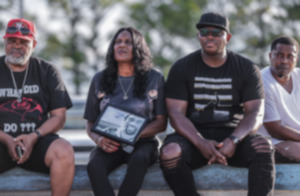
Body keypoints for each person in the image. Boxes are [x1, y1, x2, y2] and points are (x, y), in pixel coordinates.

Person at [160, 12, 275, 196]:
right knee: (169, 152)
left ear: (227, 37)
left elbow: (256, 113)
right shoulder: (182, 67)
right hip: (193, 136)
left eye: (217, 33)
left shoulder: (246, 68)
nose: (210, 37)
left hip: (234, 136)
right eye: (204, 32)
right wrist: (200, 143)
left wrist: (234, 140)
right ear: (198, 36)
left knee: (263, 147)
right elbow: (176, 114)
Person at [84, 27, 167, 196]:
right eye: (118, 42)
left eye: (128, 42)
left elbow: (161, 122)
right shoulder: (99, 79)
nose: (122, 46)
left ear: (139, 48)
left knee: (139, 159)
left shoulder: (155, 78)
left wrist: (132, 134)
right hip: (110, 142)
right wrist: (99, 139)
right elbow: (90, 121)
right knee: (94, 165)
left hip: (143, 143)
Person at [0, 18, 74, 196]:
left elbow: (59, 116)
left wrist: (34, 136)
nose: (17, 46)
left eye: (23, 42)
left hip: (39, 140)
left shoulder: (48, 71)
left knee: (64, 151)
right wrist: (7, 139)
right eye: (12, 41)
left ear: (34, 43)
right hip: (1, 141)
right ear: (5, 41)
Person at [258, 36, 300, 163]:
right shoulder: (262, 81)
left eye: (290, 56)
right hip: (274, 140)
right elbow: (275, 129)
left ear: (296, 59)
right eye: (279, 55)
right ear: (270, 56)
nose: (284, 61)